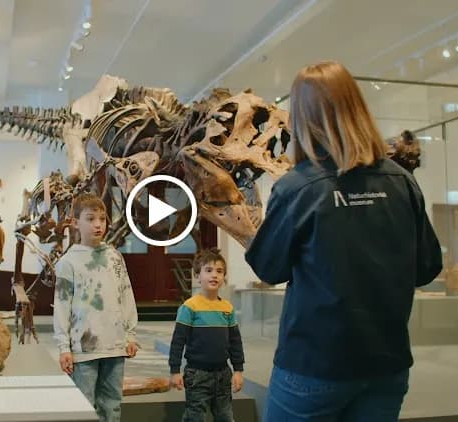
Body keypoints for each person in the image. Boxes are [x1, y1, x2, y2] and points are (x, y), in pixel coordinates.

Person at [244, 60, 443, 422]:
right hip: (387, 365)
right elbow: (428, 267)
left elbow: (268, 268)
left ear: (303, 118)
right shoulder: (402, 182)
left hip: (314, 365)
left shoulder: (297, 187)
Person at [53, 193, 139, 422]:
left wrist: (130, 334)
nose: (98, 224)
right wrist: (64, 347)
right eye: (90, 219)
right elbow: (61, 306)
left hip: (115, 345)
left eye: (102, 218)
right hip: (84, 349)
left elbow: (126, 294)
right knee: (84, 407)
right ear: (75, 222)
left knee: (112, 406)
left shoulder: (115, 257)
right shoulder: (67, 262)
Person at [168, 248, 244, 422]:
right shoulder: (189, 307)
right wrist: (174, 370)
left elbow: (235, 342)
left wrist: (238, 370)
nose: (214, 275)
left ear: (224, 277)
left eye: (219, 271)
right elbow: (178, 342)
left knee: (226, 416)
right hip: (197, 375)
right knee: (195, 417)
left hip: (223, 374)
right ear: (197, 276)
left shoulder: (227, 308)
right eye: (208, 270)